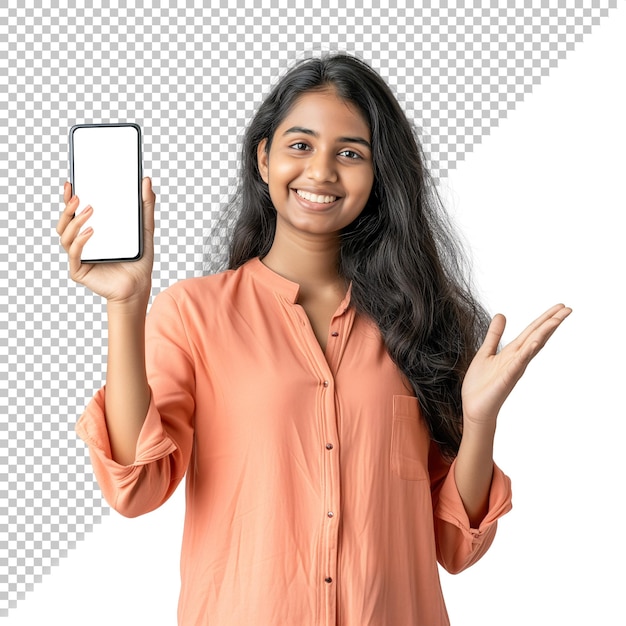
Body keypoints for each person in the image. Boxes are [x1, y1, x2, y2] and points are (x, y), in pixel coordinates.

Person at [56, 53, 571, 625]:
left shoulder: (418, 323)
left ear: (378, 175)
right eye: (300, 145)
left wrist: (480, 421)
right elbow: (136, 487)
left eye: (350, 153)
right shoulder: (193, 314)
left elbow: (456, 546)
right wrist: (127, 307)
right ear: (264, 156)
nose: (322, 171)